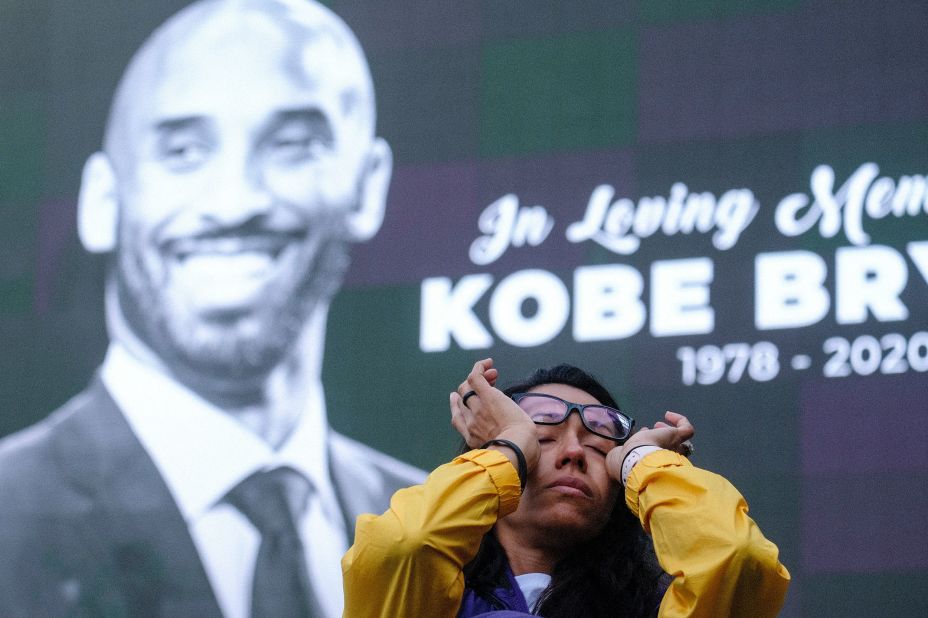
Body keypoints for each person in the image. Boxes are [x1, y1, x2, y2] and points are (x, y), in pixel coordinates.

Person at [0, 1, 424, 616]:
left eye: (292, 145)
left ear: (368, 185)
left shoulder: (454, 542)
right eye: (182, 152)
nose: (234, 200)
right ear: (102, 201)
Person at [343, 359, 791, 617]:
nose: (575, 451)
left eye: (601, 445)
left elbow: (736, 558)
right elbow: (402, 545)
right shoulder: (430, 599)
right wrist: (509, 446)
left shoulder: (658, 611)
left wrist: (643, 460)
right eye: (543, 437)